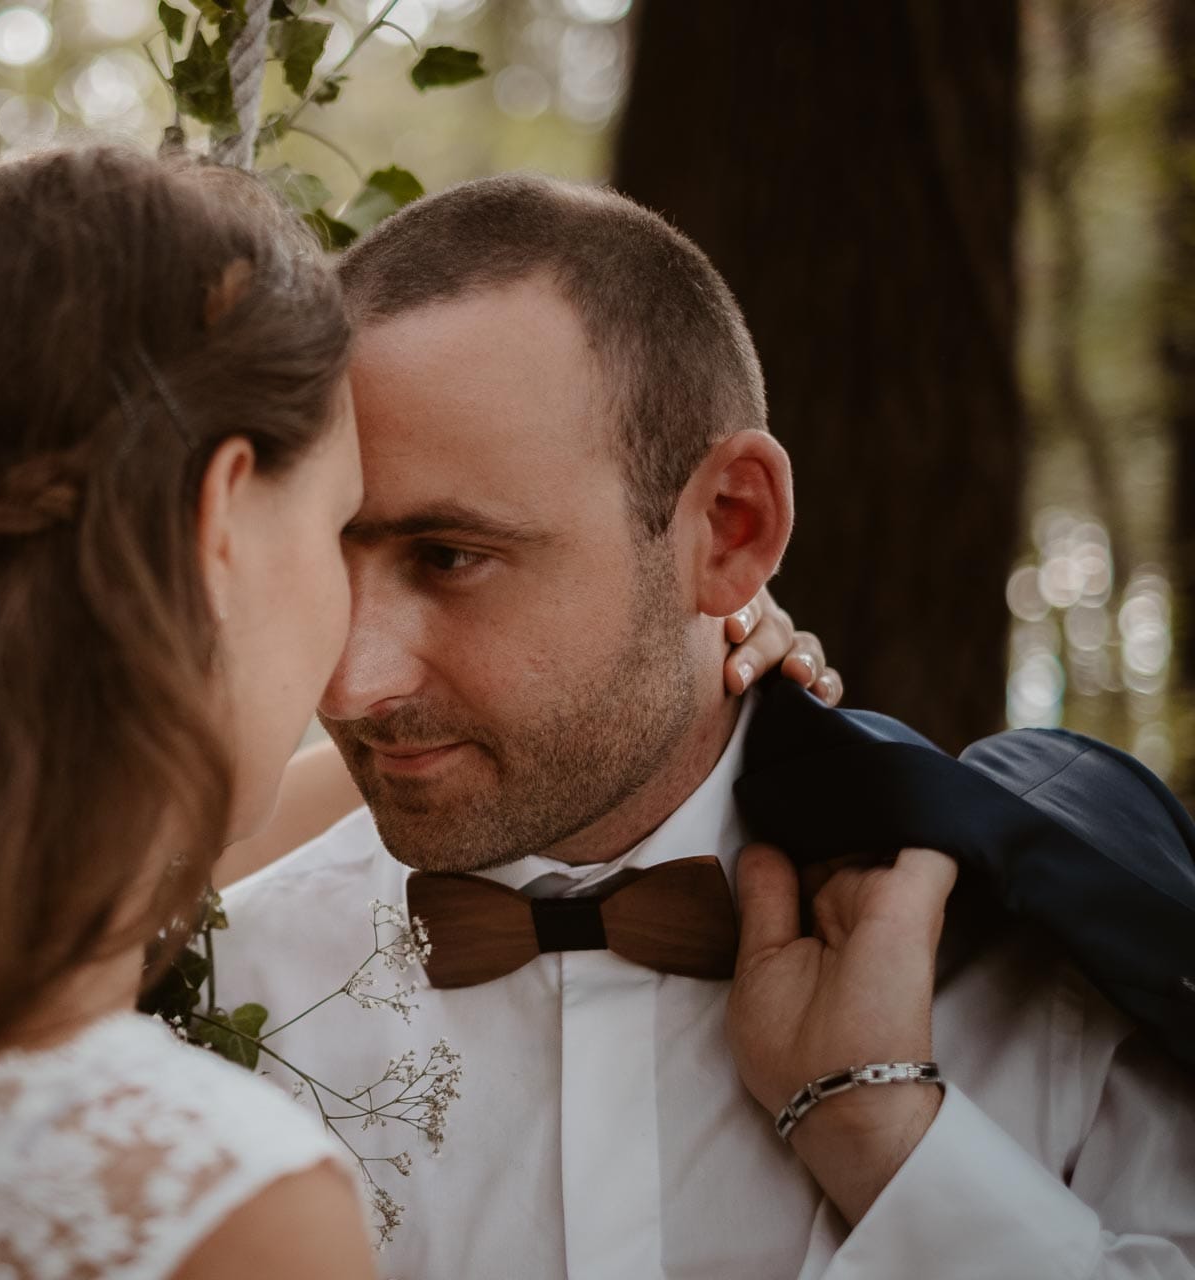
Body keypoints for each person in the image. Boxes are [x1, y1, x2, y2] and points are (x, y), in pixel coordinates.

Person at [0, 149, 832, 1280]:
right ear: (218, 528)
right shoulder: (227, 1203)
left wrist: (684, 646)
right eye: (336, 531)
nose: (357, 678)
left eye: (446, 556)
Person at [212, 172, 1195, 1278]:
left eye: (448, 557)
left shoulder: (1049, 971)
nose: (347, 682)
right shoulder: (216, 1006)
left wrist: (895, 1147)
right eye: (323, 556)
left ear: (729, 528)